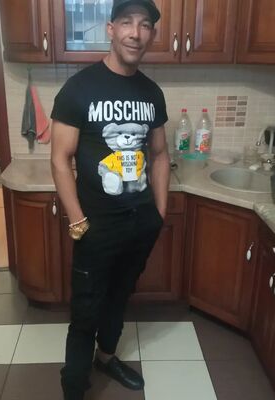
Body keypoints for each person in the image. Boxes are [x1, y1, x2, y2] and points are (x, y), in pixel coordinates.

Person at [50, 1, 170, 398]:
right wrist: (77, 220)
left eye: (145, 25)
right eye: (127, 23)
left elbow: (160, 154)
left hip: (140, 222)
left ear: (151, 34)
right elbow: (60, 158)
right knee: (86, 310)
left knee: (119, 297)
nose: (136, 32)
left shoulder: (152, 93)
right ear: (111, 29)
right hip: (96, 226)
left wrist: (159, 213)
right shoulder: (79, 88)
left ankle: (107, 357)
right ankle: (74, 386)